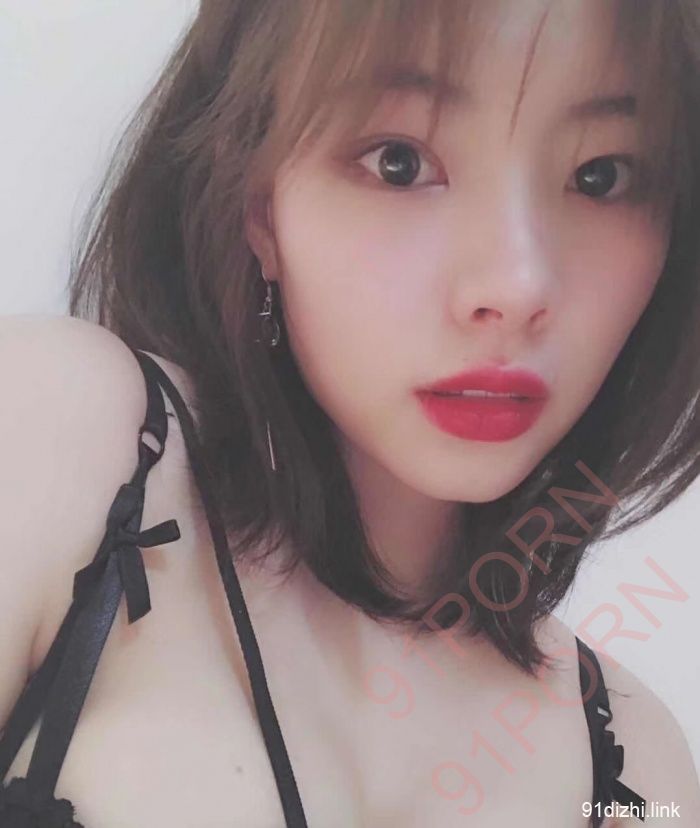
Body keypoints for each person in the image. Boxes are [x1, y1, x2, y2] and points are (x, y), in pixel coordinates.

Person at [1, 0, 700, 825]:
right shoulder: (60, 437)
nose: (516, 287)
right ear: (258, 203)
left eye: (601, 176)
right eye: (400, 162)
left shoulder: (642, 767)